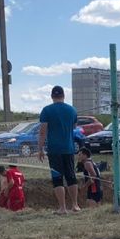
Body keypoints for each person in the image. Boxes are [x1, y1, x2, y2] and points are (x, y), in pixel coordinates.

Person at [37, 85, 81, 215]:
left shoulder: (46, 110)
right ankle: (75, 205)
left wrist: (40, 149)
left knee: (57, 178)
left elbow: (42, 132)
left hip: (54, 150)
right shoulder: (72, 110)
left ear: (52, 96)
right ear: (63, 96)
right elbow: (74, 126)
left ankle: (62, 208)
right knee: (71, 177)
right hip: (68, 148)